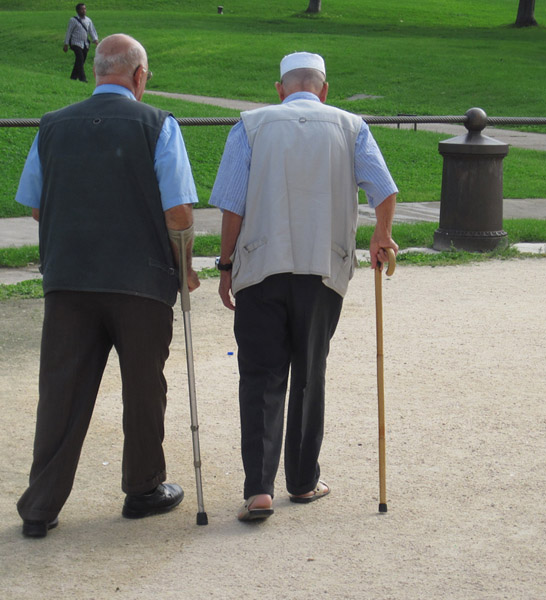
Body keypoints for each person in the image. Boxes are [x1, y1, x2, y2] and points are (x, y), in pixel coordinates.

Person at [14, 33, 200, 538]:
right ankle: (143, 488)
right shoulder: (158, 124)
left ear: (97, 72)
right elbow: (179, 212)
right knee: (144, 388)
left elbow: (37, 207)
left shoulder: (52, 126)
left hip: (69, 279)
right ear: (139, 75)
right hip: (140, 280)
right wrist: (184, 268)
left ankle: (40, 506)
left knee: (60, 391)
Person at [209, 51, 399, 522]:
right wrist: (382, 235)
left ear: (280, 89)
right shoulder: (351, 126)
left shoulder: (251, 125)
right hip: (322, 268)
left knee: (261, 375)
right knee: (310, 373)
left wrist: (226, 264)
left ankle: (259, 489)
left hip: (260, 267)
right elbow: (384, 189)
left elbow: (232, 205)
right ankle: (302, 480)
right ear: (324, 90)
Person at [63, 3, 99, 82]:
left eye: (85, 9)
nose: (84, 11)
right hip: (75, 43)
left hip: (85, 44)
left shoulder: (88, 20)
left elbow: (91, 31)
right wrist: (66, 44)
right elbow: (69, 32)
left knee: (81, 61)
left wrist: (95, 41)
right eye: (82, 9)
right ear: (77, 10)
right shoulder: (73, 20)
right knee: (80, 59)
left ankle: (73, 77)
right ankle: (83, 78)